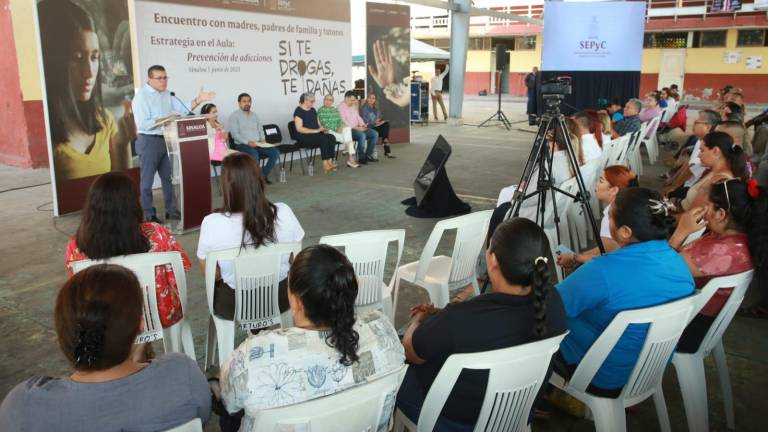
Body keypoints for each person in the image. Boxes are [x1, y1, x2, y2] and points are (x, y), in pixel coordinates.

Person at [397, 218, 567, 428]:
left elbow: (409, 351)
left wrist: (417, 321)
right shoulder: (554, 301)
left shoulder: (461, 317)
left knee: (395, 372)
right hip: (517, 412)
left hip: (454, 419)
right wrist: (440, 316)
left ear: (493, 260)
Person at [0, 264, 211, 431]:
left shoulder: (23, 408)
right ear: (140, 325)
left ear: (63, 331)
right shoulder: (183, 376)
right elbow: (203, 416)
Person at [218, 245, 405, 432]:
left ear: (297, 302)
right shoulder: (383, 331)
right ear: (353, 285)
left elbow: (229, 400)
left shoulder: (252, 358)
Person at [555, 187, 694, 395]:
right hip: (649, 370)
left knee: (536, 317)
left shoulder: (602, 270)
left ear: (625, 232)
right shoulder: (679, 263)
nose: (607, 222)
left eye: (610, 216)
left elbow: (550, 305)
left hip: (603, 375)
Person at [64, 172, 191, 329]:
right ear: (133, 204)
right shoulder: (157, 234)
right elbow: (181, 269)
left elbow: (78, 290)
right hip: (159, 315)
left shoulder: (76, 246)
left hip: (104, 322)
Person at [196, 153, 304, 319]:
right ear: (259, 181)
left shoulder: (211, 223)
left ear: (226, 187)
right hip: (280, 299)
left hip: (234, 304)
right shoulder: (284, 212)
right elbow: (295, 260)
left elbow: (212, 274)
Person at [38, 0, 133, 181]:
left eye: (94, 57)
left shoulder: (104, 120)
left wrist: (122, 145)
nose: (89, 72)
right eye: (77, 58)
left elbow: (119, 189)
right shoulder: (49, 135)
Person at [670, 179, 766, 351]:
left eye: (708, 205)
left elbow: (662, 270)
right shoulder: (739, 240)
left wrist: (680, 231)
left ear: (721, 214)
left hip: (686, 329)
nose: (703, 210)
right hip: (701, 321)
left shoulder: (721, 252)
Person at [131, 65, 215, 222]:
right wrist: (166, 118)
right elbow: (143, 124)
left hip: (166, 140)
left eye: (165, 77)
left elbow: (183, 108)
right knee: (147, 181)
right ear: (150, 79)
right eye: (160, 78)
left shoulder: (167, 95)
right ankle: (149, 214)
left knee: (168, 178)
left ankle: (171, 209)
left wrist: (199, 99)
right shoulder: (141, 97)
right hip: (148, 140)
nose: (164, 81)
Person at [558, 165, 638, 267]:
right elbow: (604, 248)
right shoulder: (626, 206)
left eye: (601, 181)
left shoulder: (611, 217)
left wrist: (574, 258)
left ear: (613, 190)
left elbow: (605, 255)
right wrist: (577, 256)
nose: (596, 184)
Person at [680, 131, 748, 211]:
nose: (699, 155)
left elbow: (692, 215)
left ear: (716, 151)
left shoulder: (717, 182)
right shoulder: (713, 172)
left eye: (702, 150)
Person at [663, 109, 719, 198]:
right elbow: (688, 163)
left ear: (708, 127)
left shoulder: (707, 143)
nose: (693, 124)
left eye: (697, 122)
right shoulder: (700, 139)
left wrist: (674, 187)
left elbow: (691, 169)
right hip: (687, 182)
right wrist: (673, 179)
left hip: (691, 187)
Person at [228, 93, 281, 183]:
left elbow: (260, 129)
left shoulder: (254, 115)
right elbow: (234, 134)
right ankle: (254, 180)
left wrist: (263, 139)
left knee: (275, 152)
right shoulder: (234, 116)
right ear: (239, 103)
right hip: (242, 145)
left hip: (258, 143)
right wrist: (247, 142)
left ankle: (263, 175)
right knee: (254, 154)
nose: (247, 103)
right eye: (244, 101)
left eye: (249, 101)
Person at [293, 92, 338, 174]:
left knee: (331, 137)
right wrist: (316, 131)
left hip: (315, 134)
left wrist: (322, 129)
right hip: (304, 137)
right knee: (323, 139)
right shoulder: (298, 111)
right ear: (305, 101)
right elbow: (299, 129)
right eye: (312, 101)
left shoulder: (313, 110)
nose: (313, 103)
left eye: (314, 101)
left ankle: (330, 161)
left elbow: (318, 123)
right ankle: (325, 163)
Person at [317, 94, 359, 168]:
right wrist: (336, 129)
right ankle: (350, 158)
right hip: (329, 131)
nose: (328, 101)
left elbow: (340, 121)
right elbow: (325, 123)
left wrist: (340, 127)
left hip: (338, 131)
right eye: (326, 99)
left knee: (347, 128)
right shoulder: (320, 110)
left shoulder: (335, 110)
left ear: (332, 102)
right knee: (348, 140)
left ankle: (349, 153)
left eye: (330, 100)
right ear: (324, 100)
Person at [338, 90, 379, 164]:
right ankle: (361, 158)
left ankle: (368, 155)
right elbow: (344, 122)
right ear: (346, 98)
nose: (353, 102)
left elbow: (358, 117)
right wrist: (357, 128)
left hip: (358, 127)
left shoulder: (353, 106)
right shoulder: (341, 108)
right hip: (349, 130)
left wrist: (363, 124)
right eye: (352, 100)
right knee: (362, 135)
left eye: (354, 100)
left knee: (374, 134)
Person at [361, 93, 397, 159]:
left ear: (375, 100)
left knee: (386, 124)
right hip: (369, 128)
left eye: (373, 98)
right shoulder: (365, 108)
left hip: (376, 126)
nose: (371, 99)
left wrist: (380, 121)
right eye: (370, 98)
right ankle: (387, 149)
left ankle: (385, 141)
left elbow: (380, 116)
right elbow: (365, 121)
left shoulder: (375, 108)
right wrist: (374, 122)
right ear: (367, 99)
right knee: (385, 132)